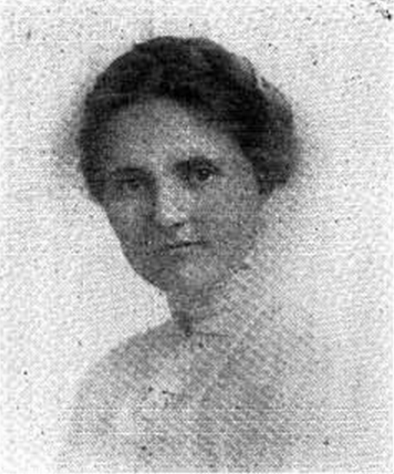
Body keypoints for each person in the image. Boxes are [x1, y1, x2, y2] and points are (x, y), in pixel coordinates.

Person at [60, 35, 320, 472]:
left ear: (260, 174)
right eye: (131, 184)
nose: (166, 214)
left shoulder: (320, 363)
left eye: (198, 173)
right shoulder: (112, 383)